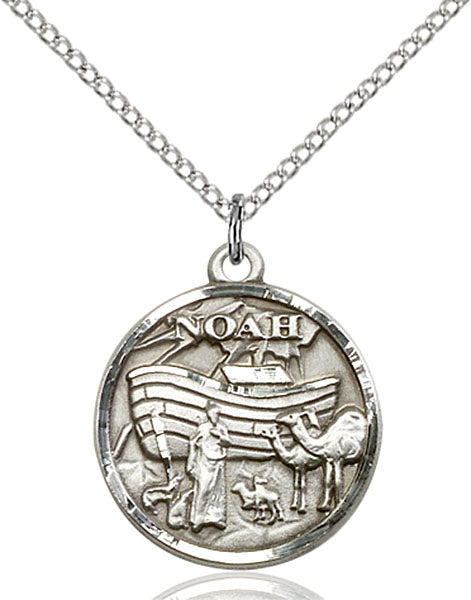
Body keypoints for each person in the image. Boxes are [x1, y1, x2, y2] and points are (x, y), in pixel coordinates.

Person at [186, 402, 231, 532]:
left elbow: (228, 442)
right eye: (213, 414)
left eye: (217, 414)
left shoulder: (222, 427)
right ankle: (198, 519)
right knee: (203, 489)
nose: (215, 416)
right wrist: (191, 462)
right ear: (209, 414)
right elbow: (194, 442)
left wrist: (220, 436)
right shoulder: (202, 428)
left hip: (218, 462)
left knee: (218, 491)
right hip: (204, 462)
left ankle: (216, 518)